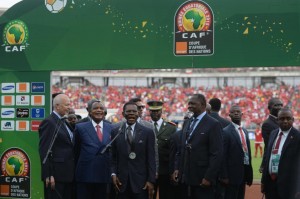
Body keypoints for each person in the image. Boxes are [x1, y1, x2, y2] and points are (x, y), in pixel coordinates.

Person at [173, 94, 223, 199]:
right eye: (189, 103)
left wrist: (208, 177)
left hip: (202, 179)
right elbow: (182, 148)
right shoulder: (187, 122)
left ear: (203, 105)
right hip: (185, 179)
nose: (189, 106)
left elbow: (216, 154)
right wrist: (177, 168)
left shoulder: (213, 124)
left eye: (193, 104)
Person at [110, 102, 156, 199]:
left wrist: (151, 180)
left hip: (141, 182)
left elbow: (151, 158)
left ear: (138, 113)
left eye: (134, 111)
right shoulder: (116, 131)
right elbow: (113, 156)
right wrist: (113, 173)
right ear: (123, 114)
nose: (131, 113)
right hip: (121, 181)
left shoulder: (147, 132)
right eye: (128, 111)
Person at [38, 94, 75, 199]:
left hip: (67, 175)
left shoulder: (63, 121)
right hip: (56, 176)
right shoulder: (49, 122)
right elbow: (44, 150)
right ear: (57, 106)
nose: (69, 107)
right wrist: (48, 174)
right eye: (67, 105)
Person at [74, 100, 112, 199]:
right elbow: (76, 150)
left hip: (104, 175)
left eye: (101, 108)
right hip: (85, 175)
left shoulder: (112, 128)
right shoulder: (80, 127)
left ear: (104, 111)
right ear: (90, 112)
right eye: (95, 108)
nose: (99, 110)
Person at [261, 107, 300, 199]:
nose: (285, 121)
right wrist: (263, 181)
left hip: (289, 187)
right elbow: (268, 158)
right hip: (270, 184)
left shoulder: (298, 136)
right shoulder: (273, 134)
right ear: (277, 120)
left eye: (288, 118)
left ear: (293, 120)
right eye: (282, 119)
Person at [220, 104, 253, 199]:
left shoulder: (245, 131)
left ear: (242, 114)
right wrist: (224, 175)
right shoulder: (225, 132)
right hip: (231, 175)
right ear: (229, 115)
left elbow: (247, 154)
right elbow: (223, 155)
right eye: (233, 112)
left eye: (238, 112)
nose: (236, 114)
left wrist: (249, 175)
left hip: (243, 173)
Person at [147, 100, 177, 199]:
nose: (155, 113)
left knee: (165, 195)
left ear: (161, 111)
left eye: (157, 111)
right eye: (153, 111)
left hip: (165, 169)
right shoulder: (144, 126)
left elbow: (174, 150)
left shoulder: (171, 127)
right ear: (149, 112)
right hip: (148, 169)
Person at [260, 98, 283, 172]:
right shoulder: (267, 124)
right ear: (269, 108)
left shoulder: (284, 121)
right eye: (276, 105)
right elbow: (269, 146)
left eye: (281, 105)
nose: (280, 107)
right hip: (274, 160)